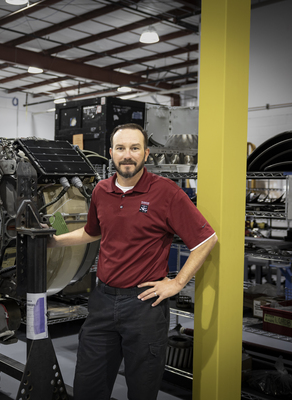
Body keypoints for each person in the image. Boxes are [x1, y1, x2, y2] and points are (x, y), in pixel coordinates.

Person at [48, 123, 217, 400]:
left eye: (135, 148)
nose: (127, 155)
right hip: (103, 301)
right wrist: (55, 241)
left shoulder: (166, 192)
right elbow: (92, 232)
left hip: (144, 306)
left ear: (146, 153)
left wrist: (177, 283)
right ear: (111, 152)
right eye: (121, 148)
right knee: (88, 386)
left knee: (142, 390)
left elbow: (206, 239)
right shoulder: (101, 191)